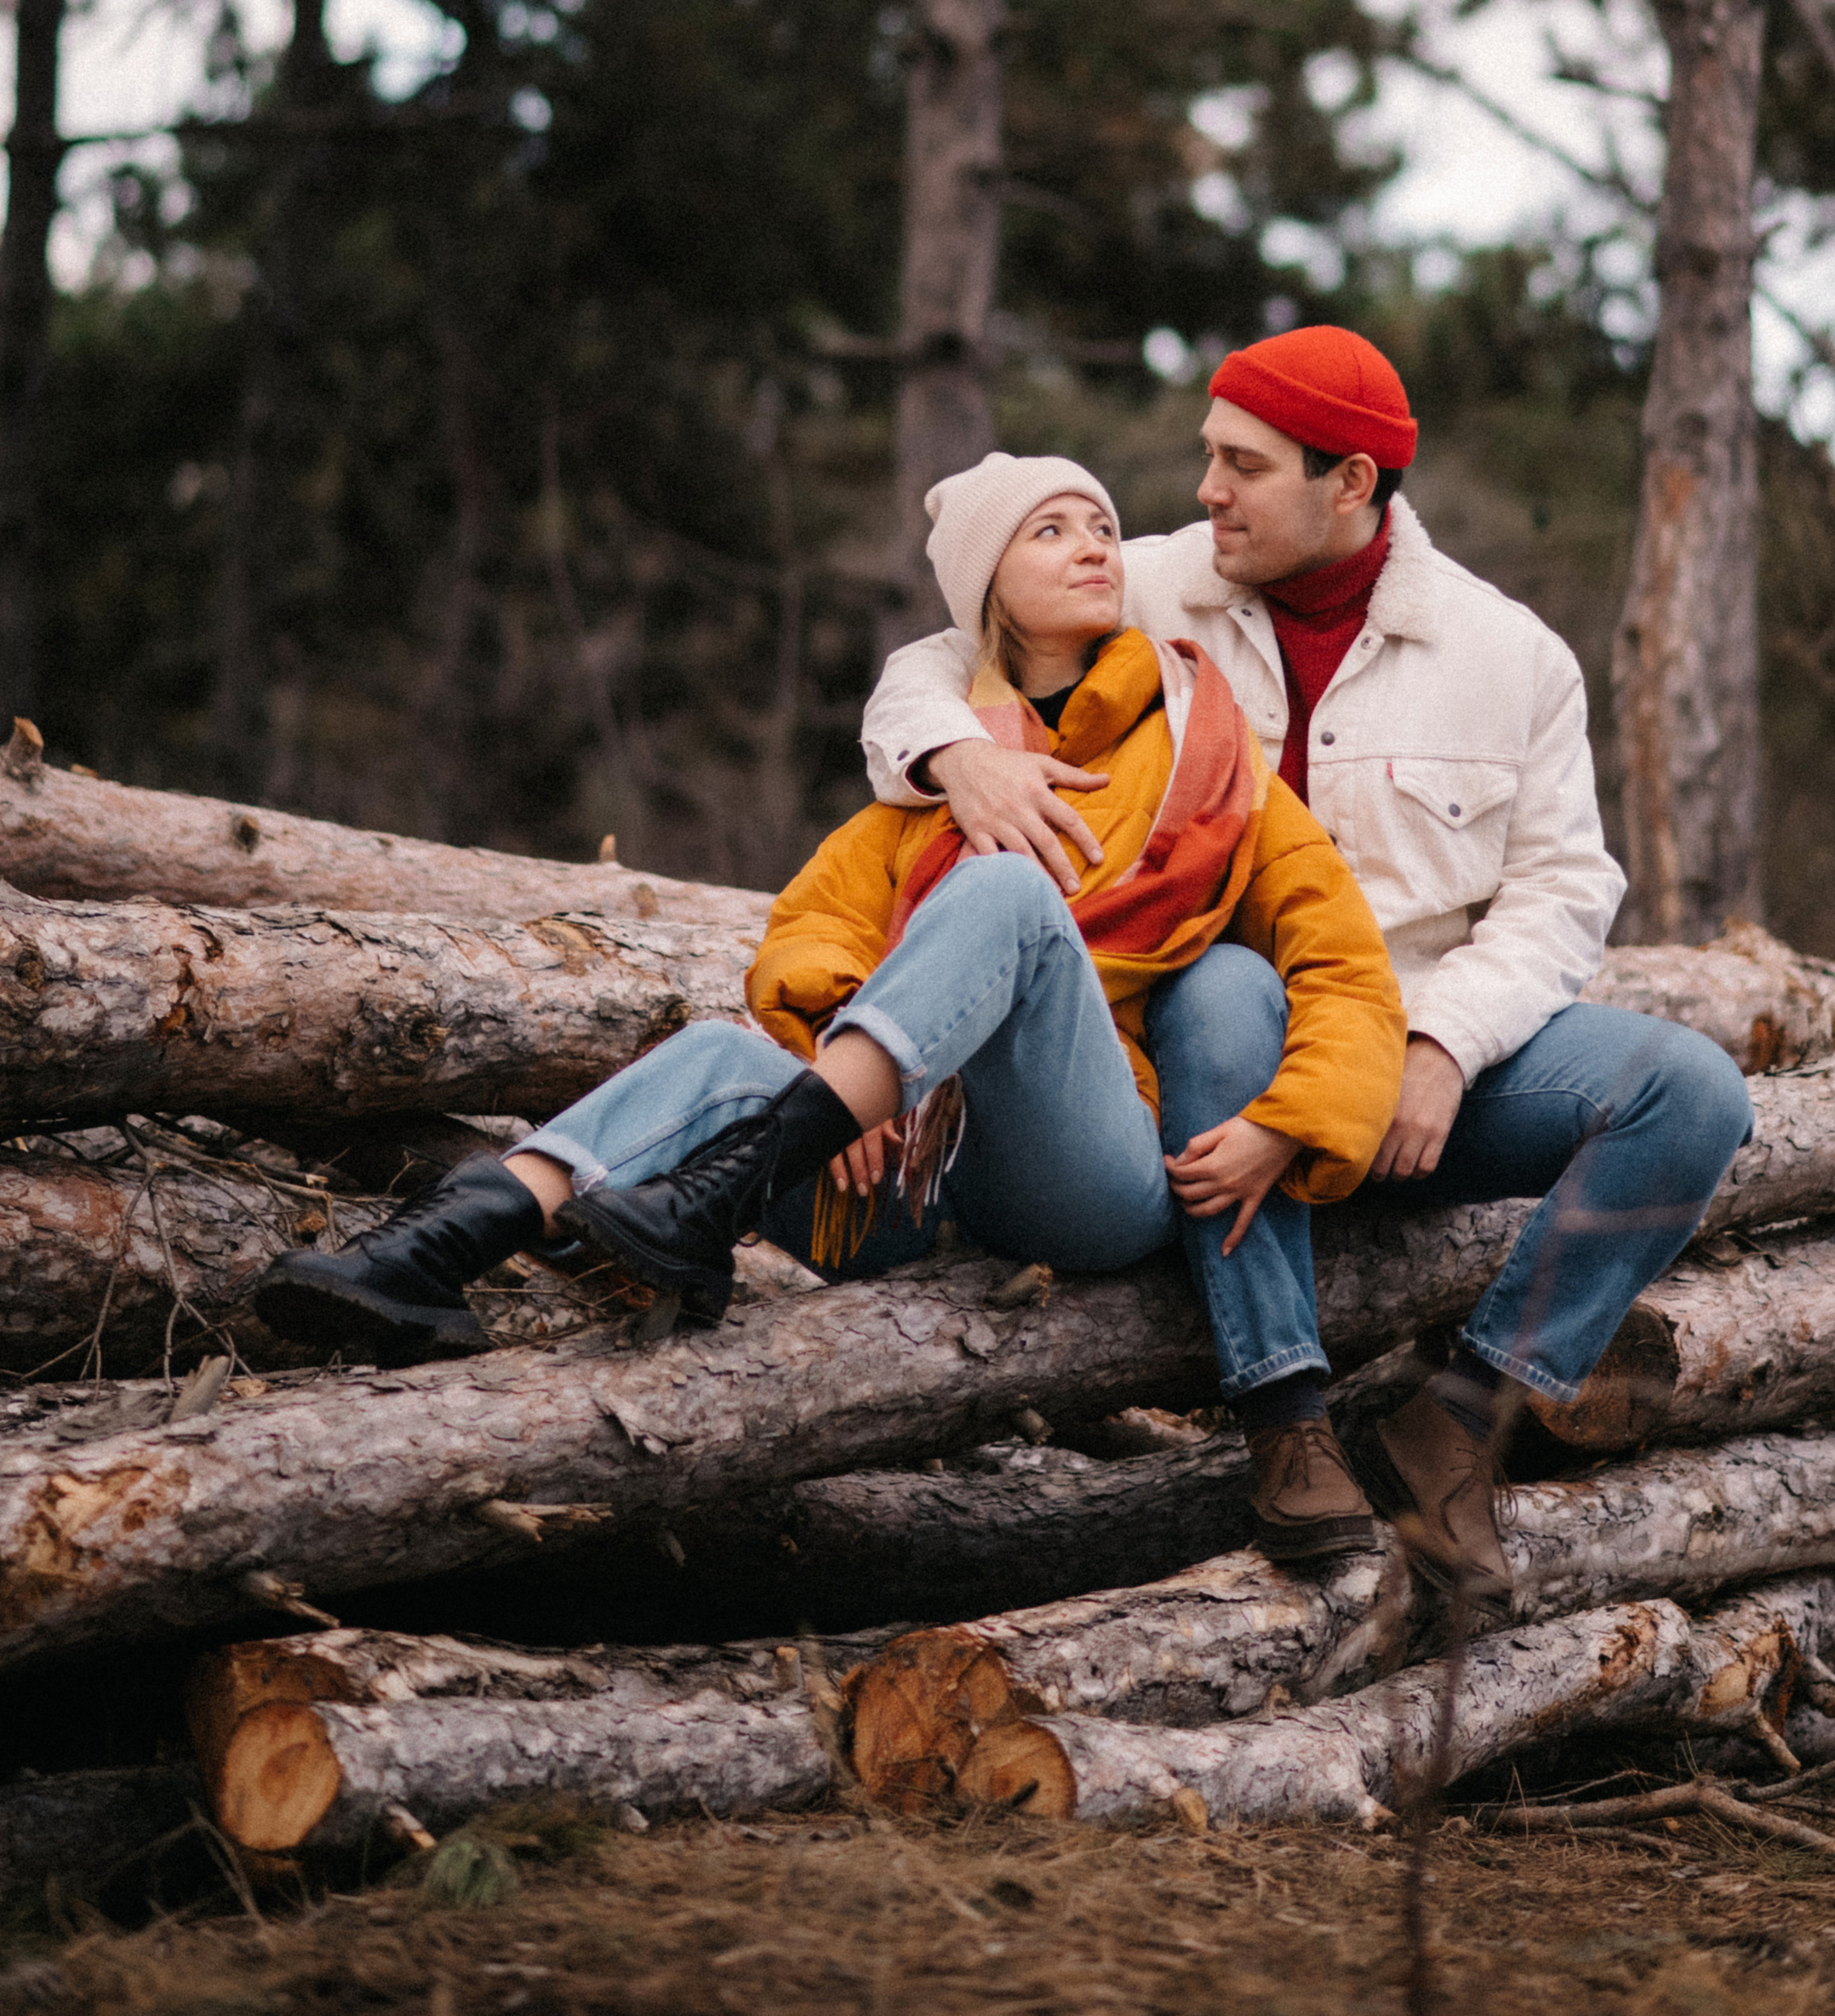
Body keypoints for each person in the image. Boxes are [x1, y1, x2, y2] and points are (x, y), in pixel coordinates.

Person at [254, 453, 1406, 1562]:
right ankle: (434, 1250)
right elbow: (807, 934)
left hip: (1087, 1178)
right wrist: (852, 1041)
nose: (1095, 544)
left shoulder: (1210, 754)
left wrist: (1290, 1120)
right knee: (718, 1052)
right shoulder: (926, 782)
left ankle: (729, 1186)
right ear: (985, 584)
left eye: (1102, 525)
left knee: (1008, 893)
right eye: (1050, 529)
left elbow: (1346, 966)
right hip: (908, 1181)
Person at [862, 327, 1754, 1594]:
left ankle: (1461, 1422)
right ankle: (1285, 1418)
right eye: (1209, 457)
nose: (1207, 490)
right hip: (1209, 1064)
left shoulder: (1511, 657)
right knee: (1230, 984)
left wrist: (1442, 1044)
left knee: (1693, 1093)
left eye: (1244, 465)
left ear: (1350, 484)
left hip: (1417, 1069)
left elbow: (1564, 891)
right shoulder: (1157, 585)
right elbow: (933, 661)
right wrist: (958, 756)